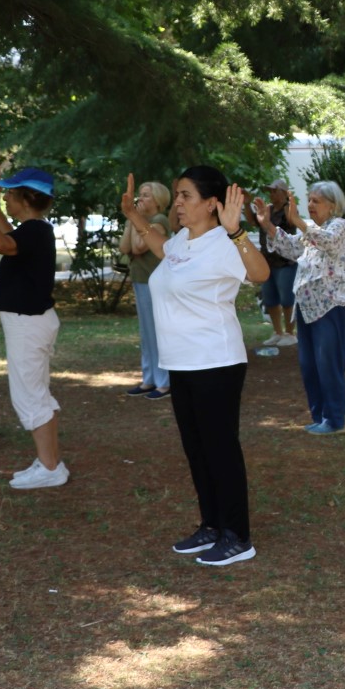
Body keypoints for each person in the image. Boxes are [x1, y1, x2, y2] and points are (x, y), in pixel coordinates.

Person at [123, 168, 271, 566]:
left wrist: (238, 231)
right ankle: (211, 526)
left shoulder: (225, 243)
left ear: (212, 203)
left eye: (186, 195)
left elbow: (260, 274)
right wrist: (133, 216)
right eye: (177, 194)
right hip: (182, 363)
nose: (179, 203)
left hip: (215, 361)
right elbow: (158, 247)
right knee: (197, 449)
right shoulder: (182, 241)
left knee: (220, 449)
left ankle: (238, 536)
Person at [0, 164, 68, 490]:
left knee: (30, 397)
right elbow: (7, 236)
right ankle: (49, 462)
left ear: (26, 198)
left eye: (10, 194)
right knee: (36, 393)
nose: (7, 199)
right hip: (30, 321)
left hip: (28, 323)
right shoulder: (34, 229)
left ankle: (51, 468)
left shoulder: (35, 231)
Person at [257, 180, 345, 434]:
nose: (310, 205)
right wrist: (268, 225)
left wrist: (300, 223)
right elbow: (292, 248)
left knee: (328, 364)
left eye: (316, 201)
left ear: (333, 205)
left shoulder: (340, 227)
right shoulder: (311, 228)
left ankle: (334, 420)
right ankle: (320, 416)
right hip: (308, 306)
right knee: (309, 364)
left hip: (334, 306)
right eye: (309, 200)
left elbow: (326, 242)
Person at [120, 180, 172, 399]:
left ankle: (164, 382)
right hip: (140, 280)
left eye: (146, 195)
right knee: (146, 333)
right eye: (140, 194)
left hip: (155, 282)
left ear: (158, 200)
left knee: (157, 331)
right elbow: (124, 248)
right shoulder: (139, 220)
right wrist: (133, 219)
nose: (141, 198)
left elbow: (138, 248)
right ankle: (148, 378)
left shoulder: (159, 220)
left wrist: (135, 219)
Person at [247, 179, 299, 350]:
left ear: (284, 192)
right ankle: (278, 332)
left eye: (275, 191)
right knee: (270, 299)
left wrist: (291, 205)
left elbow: (293, 221)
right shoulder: (267, 209)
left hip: (285, 262)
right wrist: (247, 204)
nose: (272, 194)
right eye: (270, 191)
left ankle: (290, 334)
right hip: (267, 261)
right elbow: (254, 222)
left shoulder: (287, 209)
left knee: (287, 299)